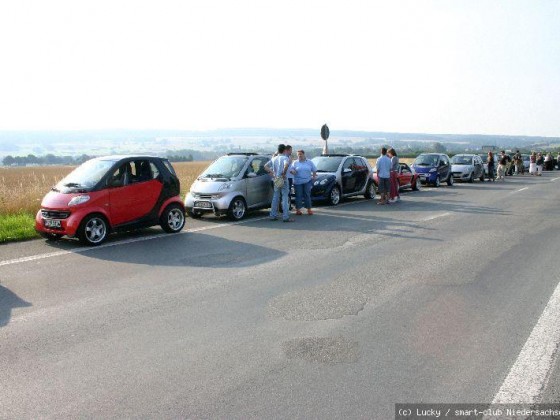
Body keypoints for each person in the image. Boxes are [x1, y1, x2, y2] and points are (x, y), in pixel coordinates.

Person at [265, 144, 293, 222]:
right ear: (284, 150)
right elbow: (286, 165)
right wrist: (283, 173)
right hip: (283, 179)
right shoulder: (285, 158)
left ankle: (273, 215)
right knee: (284, 197)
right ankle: (285, 216)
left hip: (276, 179)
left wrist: (272, 172)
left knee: (275, 197)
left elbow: (265, 166)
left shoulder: (274, 158)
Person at [290, 150, 317, 215]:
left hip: (307, 181)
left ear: (304, 154)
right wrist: (293, 171)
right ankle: (298, 210)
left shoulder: (309, 162)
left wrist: (314, 177)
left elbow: (314, 170)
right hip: (298, 182)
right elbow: (291, 169)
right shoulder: (295, 162)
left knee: (307, 195)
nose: (299, 156)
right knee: (298, 195)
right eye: (298, 155)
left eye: (300, 154)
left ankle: (309, 209)